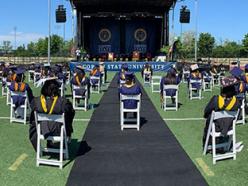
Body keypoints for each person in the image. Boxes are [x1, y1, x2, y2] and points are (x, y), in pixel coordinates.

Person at [29, 78, 75, 151]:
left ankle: (38, 148)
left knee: (34, 122)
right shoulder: (63, 102)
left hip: (41, 130)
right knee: (68, 116)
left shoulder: (36, 101)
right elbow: (71, 112)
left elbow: (32, 119)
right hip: (59, 130)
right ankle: (67, 136)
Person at [202, 76, 241, 148]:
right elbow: (238, 117)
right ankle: (225, 144)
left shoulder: (216, 99)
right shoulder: (237, 102)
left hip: (215, 128)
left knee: (209, 120)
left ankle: (209, 144)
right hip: (229, 128)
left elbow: (206, 111)